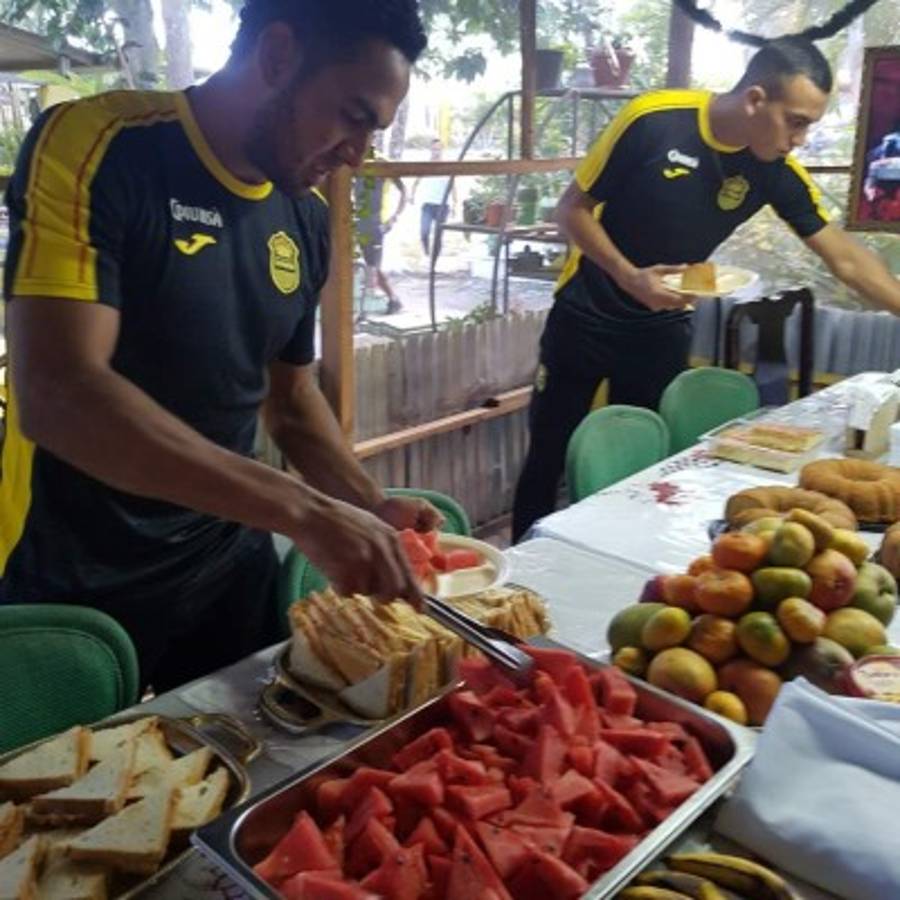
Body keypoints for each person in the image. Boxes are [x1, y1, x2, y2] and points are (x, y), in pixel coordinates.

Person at [0, 0, 438, 692]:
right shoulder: (103, 144)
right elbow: (58, 393)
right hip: (68, 573)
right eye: (353, 116)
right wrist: (301, 510)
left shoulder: (305, 216)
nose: (358, 154)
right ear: (278, 56)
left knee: (275, 771)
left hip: (223, 558)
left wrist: (367, 503)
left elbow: (291, 403)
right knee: (58, 797)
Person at [512, 37, 900, 542]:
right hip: (586, 314)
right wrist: (631, 277)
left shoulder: (774, 169)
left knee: (637, 465)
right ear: (756, 99)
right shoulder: (654, 119)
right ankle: (516, 574)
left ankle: (615, 557)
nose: (799, 140)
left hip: (663, 324)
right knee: (548, 454)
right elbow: (572, 210)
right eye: (797, 121)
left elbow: (846, 258)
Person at [355, 147, 406, 315]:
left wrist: (395, 217)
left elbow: (403, 190)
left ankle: (392, 299)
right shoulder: (354, 158)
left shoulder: (382, 163)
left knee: (373, 267)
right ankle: (387, 299)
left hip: (375, 223)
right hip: (357, 220)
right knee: (362, 265)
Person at [412, 137, 453, 255]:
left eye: (439, 149)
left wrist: (455, 203)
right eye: (434, 149)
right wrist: (412, 195)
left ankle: (434, 261)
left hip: (443, 205)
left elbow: (452, 185)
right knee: (424, 232)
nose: (436, 152)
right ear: (430, 150)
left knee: (438, 234)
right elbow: (416, 181)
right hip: (428, 204)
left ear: (442, 150)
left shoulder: (447, 166)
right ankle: (427, 254)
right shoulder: (425, 166)